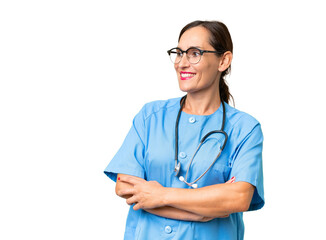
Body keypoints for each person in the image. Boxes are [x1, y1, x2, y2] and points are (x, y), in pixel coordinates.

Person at [104, 20, 264, 240]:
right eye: (179, 53)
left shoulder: (244, 129)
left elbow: (238, 198)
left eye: (194, 53)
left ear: (223, 61)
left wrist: (161, 195)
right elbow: (124, 187)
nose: (181, 63)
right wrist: (200, 211)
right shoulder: (151, 117)